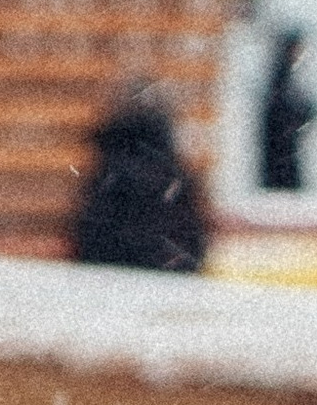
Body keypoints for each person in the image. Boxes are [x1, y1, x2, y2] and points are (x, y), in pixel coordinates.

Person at [67, 82, 210, 273]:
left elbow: (89, 233)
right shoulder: (172, 172)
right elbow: (192, 240)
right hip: (162, 275)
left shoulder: (110, 170)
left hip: (109, 274)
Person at [259, 25, 317, 195]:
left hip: (284, 152)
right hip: (280, 155)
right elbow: (282, 114)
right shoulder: (280, 78)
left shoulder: (284, 77)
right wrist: (306, 112)